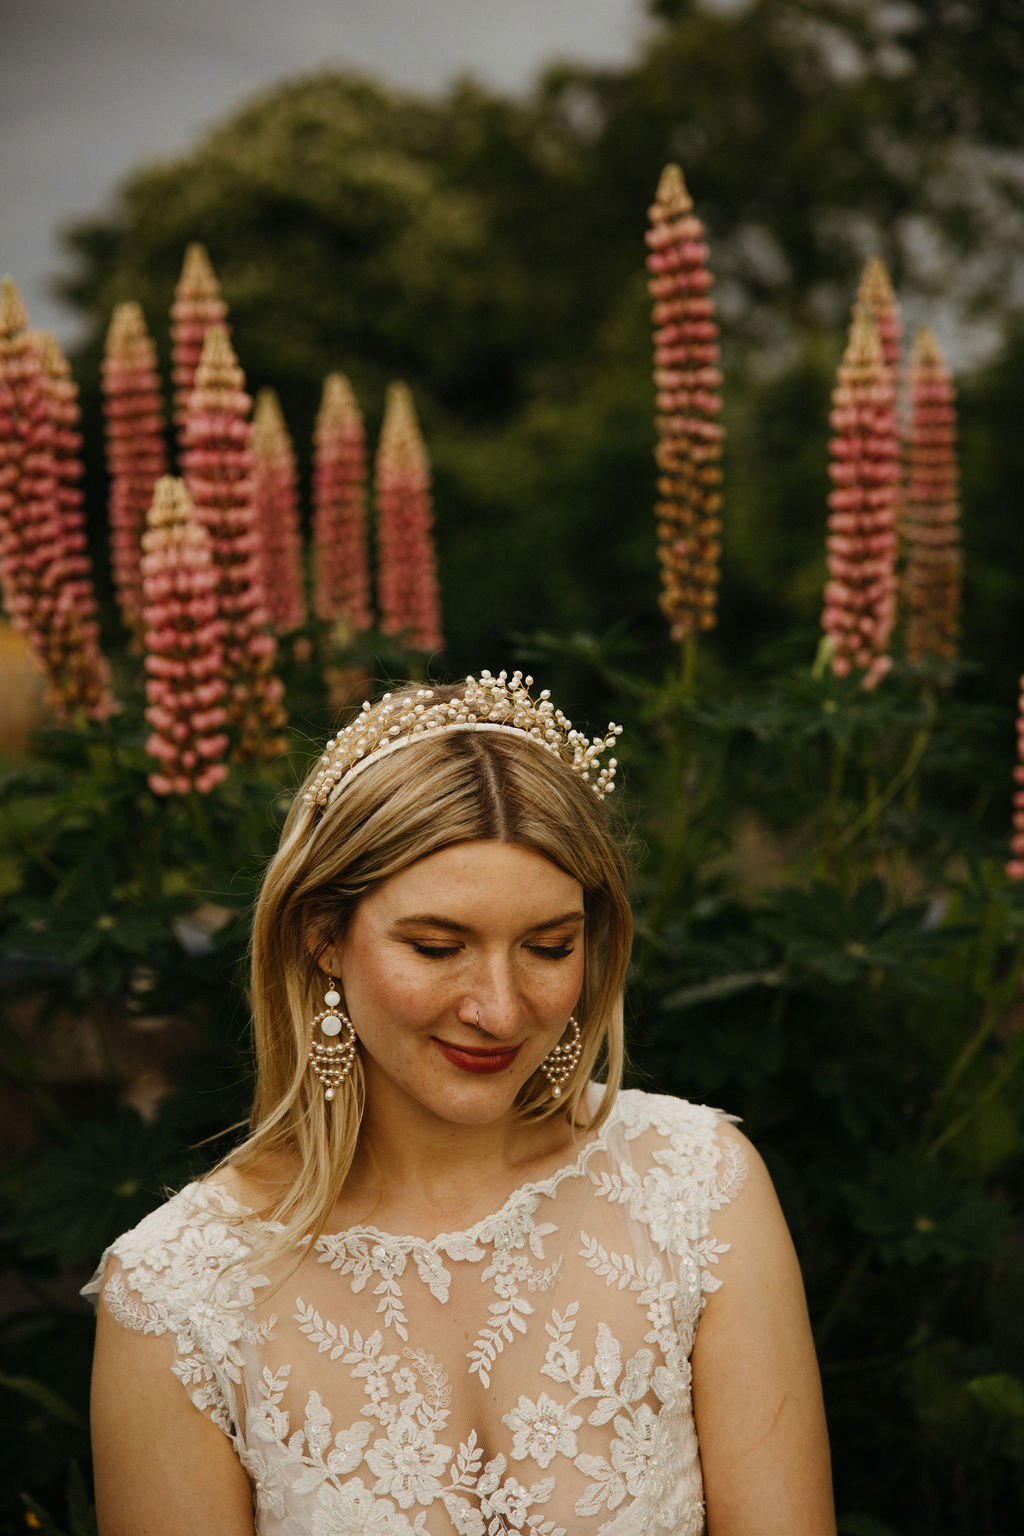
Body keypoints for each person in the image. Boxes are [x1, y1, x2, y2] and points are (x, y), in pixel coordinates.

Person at [86, 669, 836, 1536]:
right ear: (320, 936)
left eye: (549, 947)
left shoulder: (698, 1188)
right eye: (439, 947)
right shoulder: (179, 1293)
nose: (501, 1008)